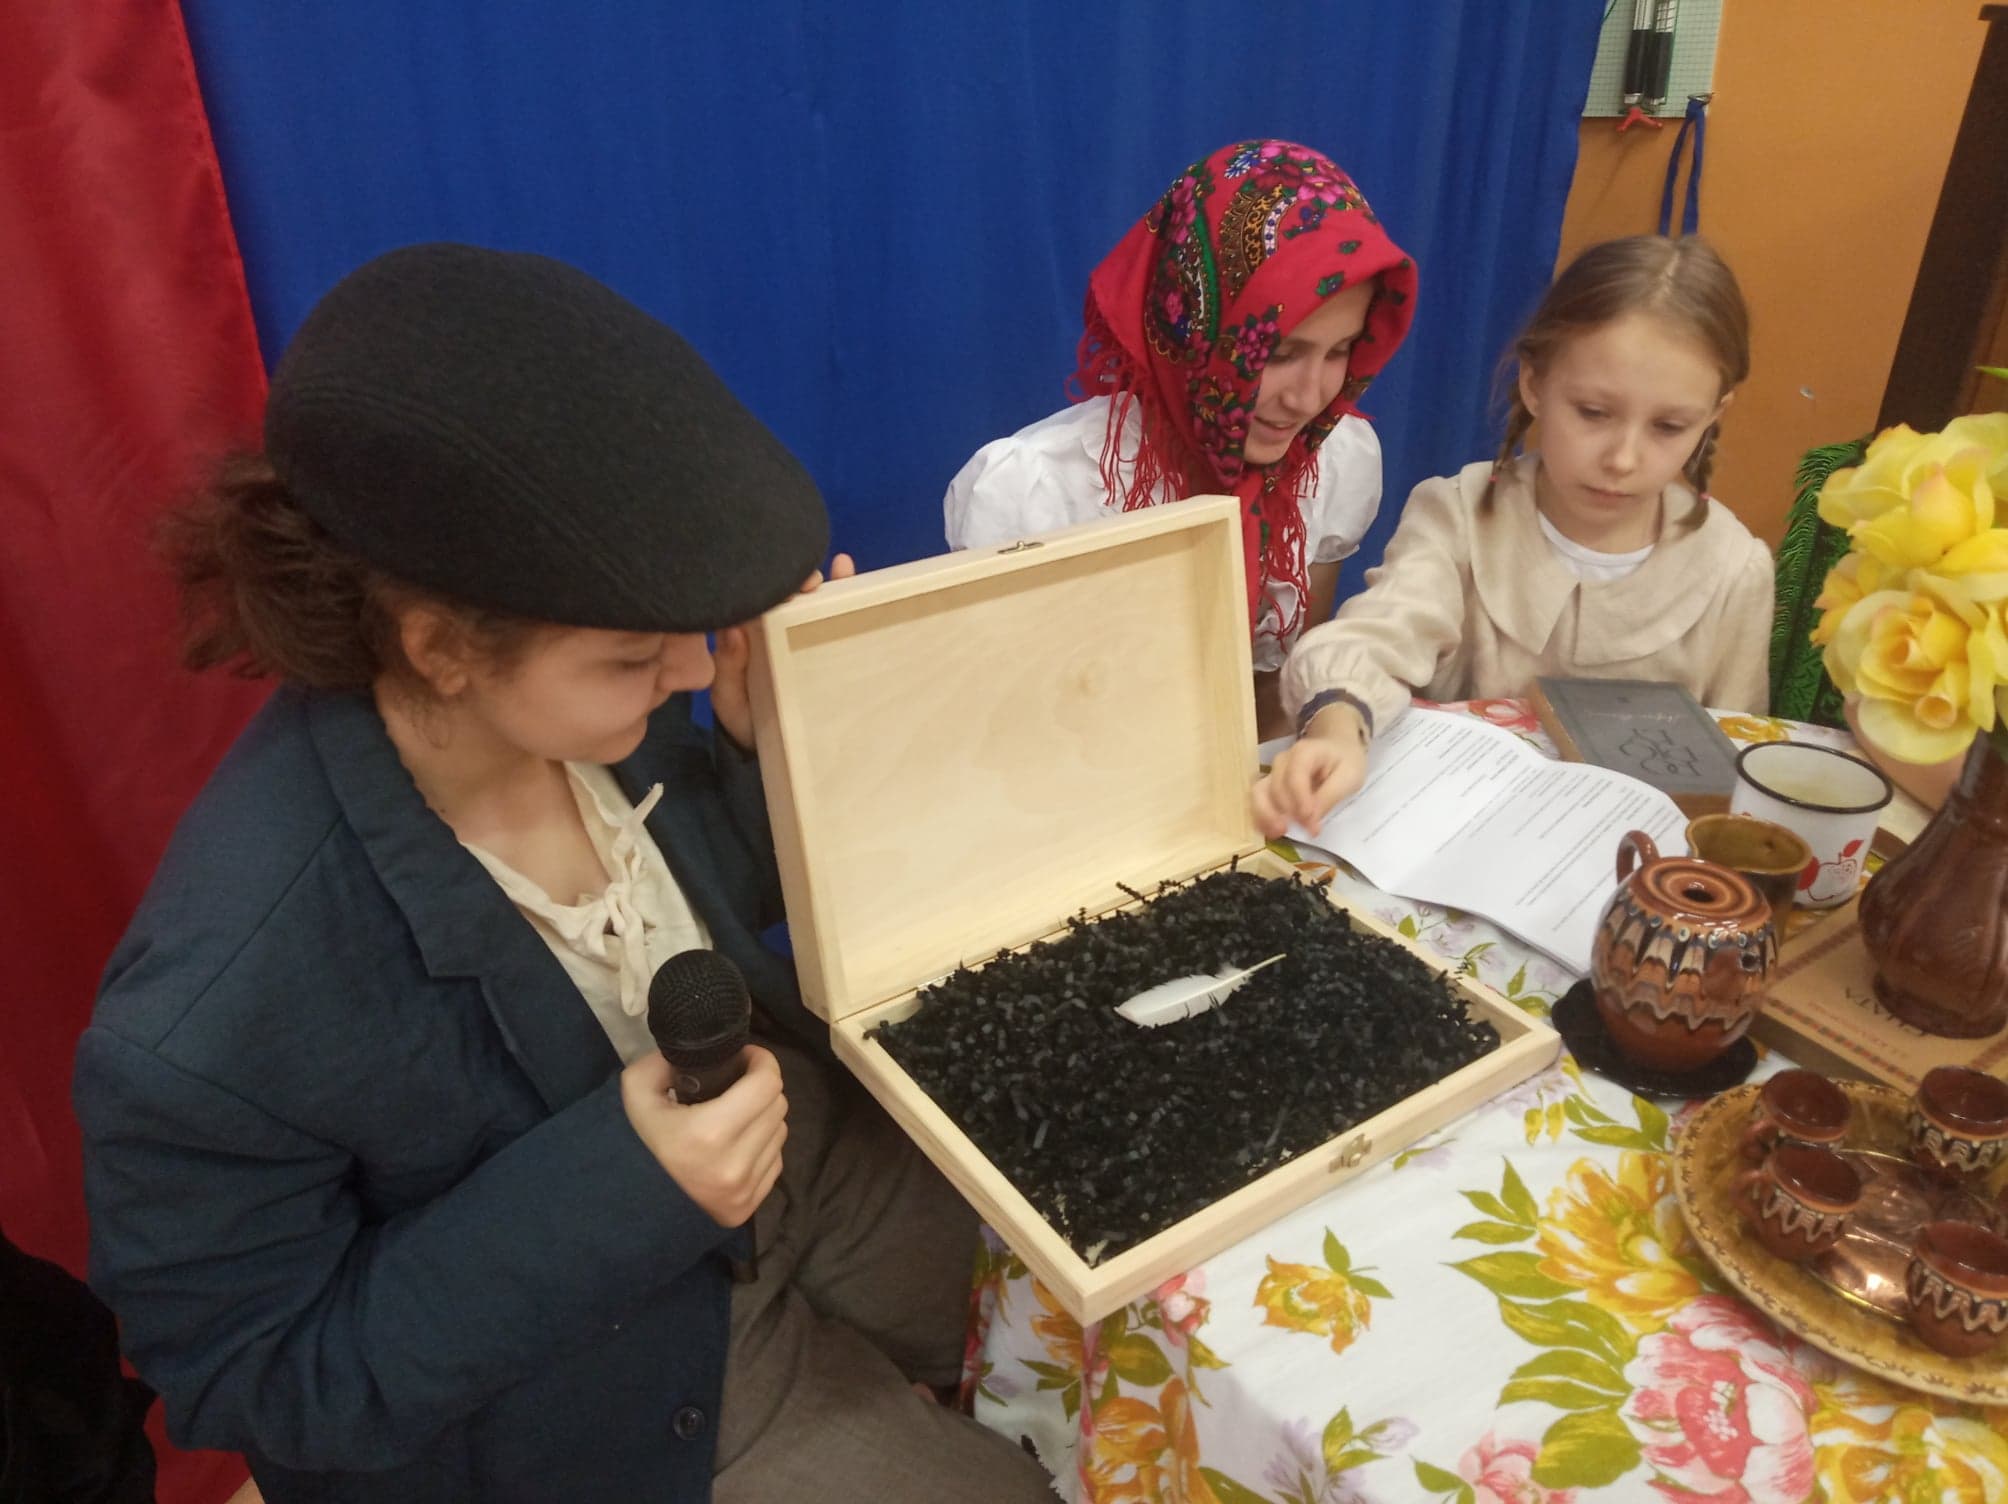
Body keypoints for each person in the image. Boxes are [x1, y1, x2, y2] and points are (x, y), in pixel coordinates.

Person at [72, 245, 1055, 1504]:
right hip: (601, 1368)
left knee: (1105, 1290)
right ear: (440, 648)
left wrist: (756, 756)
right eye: (637, 656)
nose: (689, 673)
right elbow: (258, 1375)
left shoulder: (578, 719)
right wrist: (624, 1192)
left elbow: (706, 907)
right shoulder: (210, 1017)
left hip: (789, 1157)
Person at [1254, 234, 1772, 837]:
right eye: (1593, 413)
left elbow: (1736, 758)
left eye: (1669, 426)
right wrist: (1337, 727)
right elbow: (1375, 637)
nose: (1623, 459)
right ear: (1534, 384)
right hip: (1453, 842)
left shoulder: (1734, 570)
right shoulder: (1458, 515)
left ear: (1713, 416)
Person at [944, 139, 1418, 738]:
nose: (1308, 398)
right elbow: (1000, 729)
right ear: (1194, 326)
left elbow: (1278, 692)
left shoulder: (1334, 458)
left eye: (1340, 351)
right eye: (1278, 354)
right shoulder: (1037, 493)